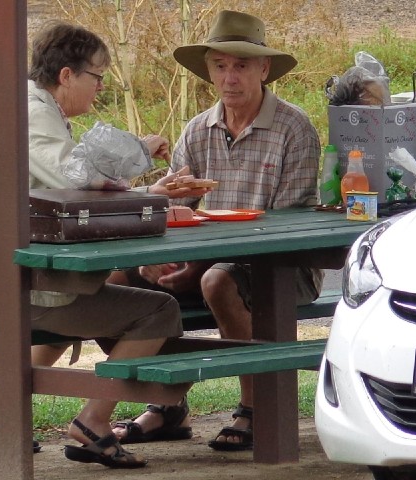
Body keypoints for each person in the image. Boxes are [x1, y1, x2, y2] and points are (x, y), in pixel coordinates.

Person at [0, 21, 205, 468]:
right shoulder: (33, 115)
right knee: (159, 309)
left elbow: (71, 193)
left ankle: (5, 412)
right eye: (96, 77)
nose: (99, 88)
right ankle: (93, 423)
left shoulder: (38, 111)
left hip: (19, 282)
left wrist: (148, 193)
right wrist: (136, 156)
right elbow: (75, 180)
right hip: (18, 286)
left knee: (92, 292)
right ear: (67, 75)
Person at [110, 10, 323, 452]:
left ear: (264, 70)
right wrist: (156, 258)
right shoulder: (197, 130)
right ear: (208, 71)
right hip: (206, 263)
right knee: (116, 282)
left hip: (283, 268)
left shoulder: (294, 128)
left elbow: (288, 227)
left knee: (217, 279)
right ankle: (164, 403)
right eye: (220, 66)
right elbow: (175, 207)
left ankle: (255, 408)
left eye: (241, 65)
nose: (229, 78)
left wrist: (197, 265)